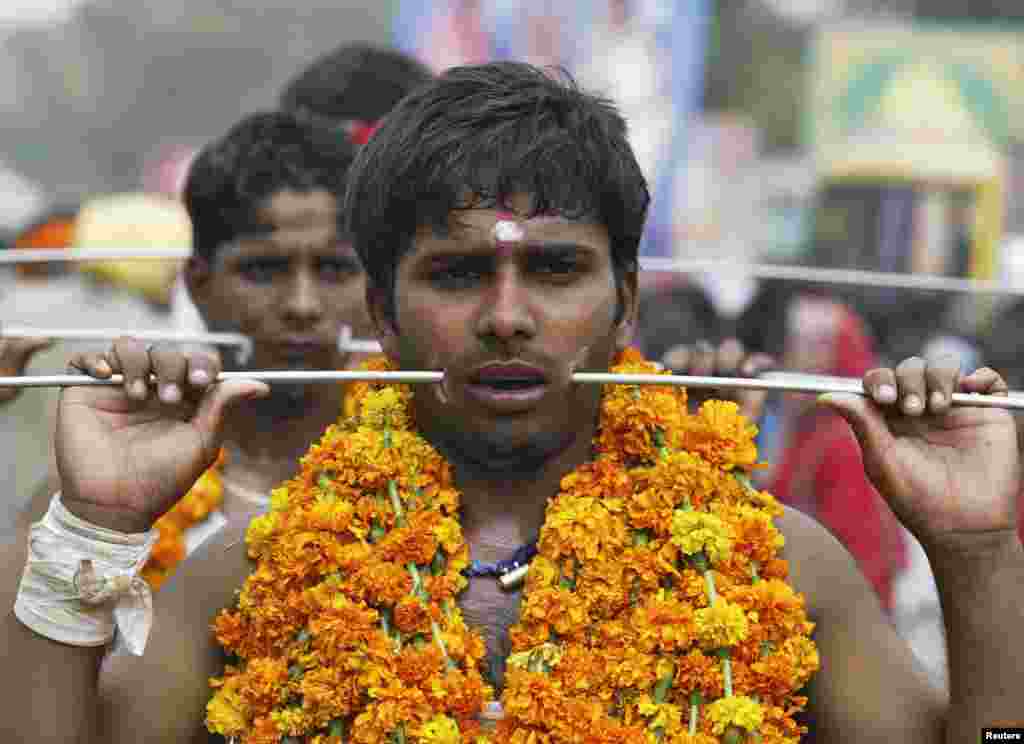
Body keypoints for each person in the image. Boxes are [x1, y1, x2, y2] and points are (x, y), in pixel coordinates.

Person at [3, 62, 1022, 742]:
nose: (506, 316)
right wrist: (90, 525)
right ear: (383, 311)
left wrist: (975, 555)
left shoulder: (774, 570)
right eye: (453, 275)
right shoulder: (251, 579)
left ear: (624, 300)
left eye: (554, 269)